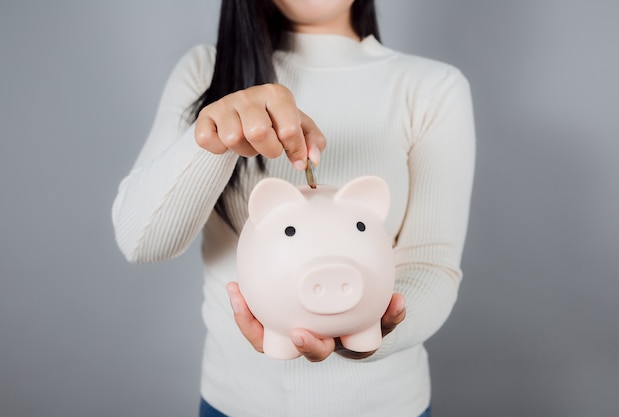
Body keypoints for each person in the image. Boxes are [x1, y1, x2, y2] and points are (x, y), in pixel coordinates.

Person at [112, 0, 475, 416]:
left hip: (387, 405)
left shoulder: (431, 87)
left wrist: (366, 332)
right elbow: (141, 241)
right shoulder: (205, 71)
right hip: (235, 403)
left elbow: (431, 265)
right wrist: (215, 138)